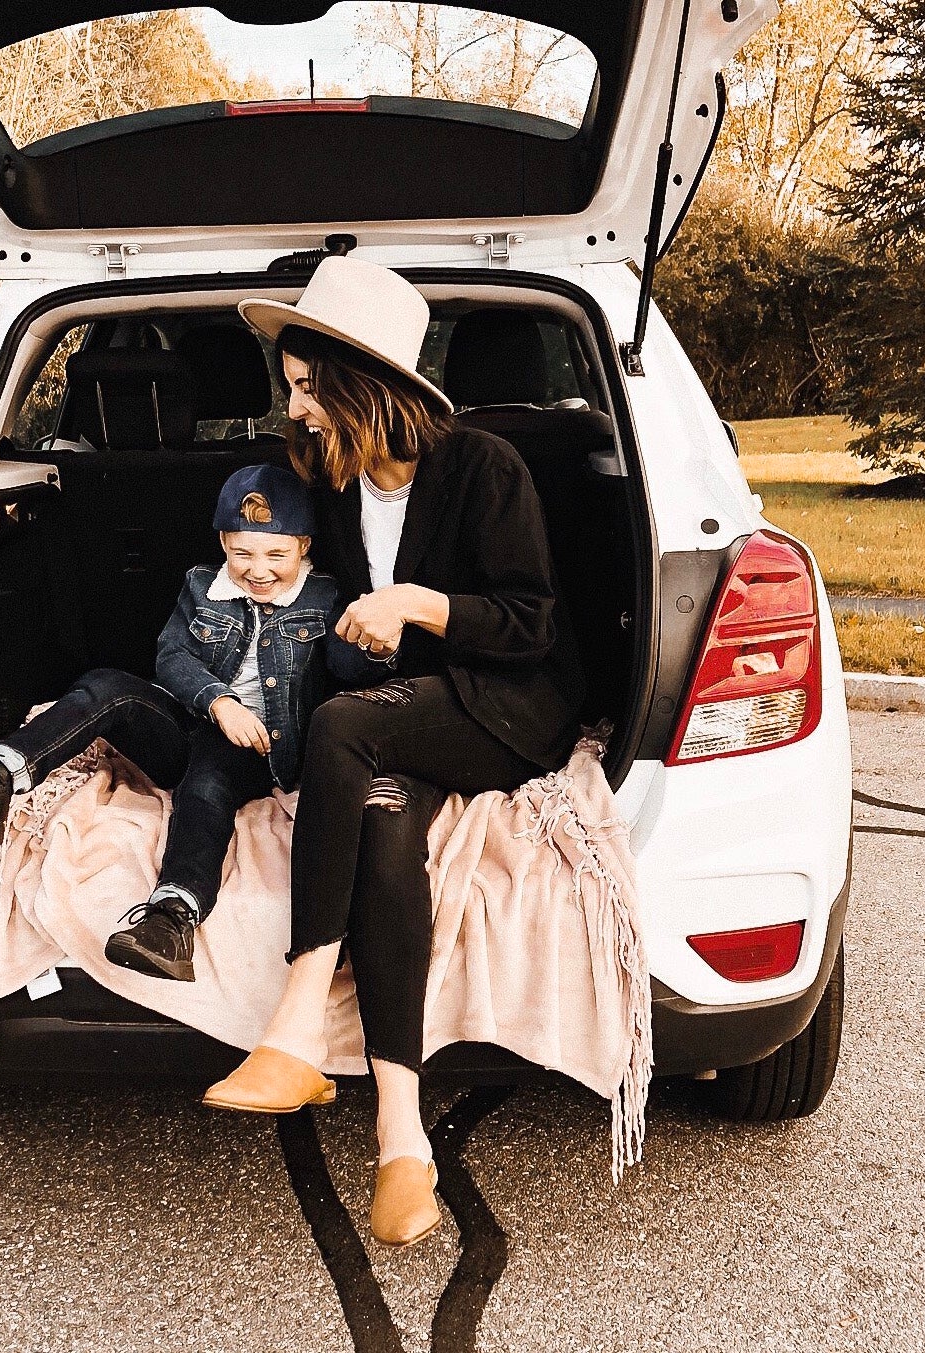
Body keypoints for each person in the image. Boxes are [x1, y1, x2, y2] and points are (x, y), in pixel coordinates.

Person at [201, 257, 586, 1247]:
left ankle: (293, 1025)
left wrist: (414, 604)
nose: (295, 409)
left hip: (499, 702)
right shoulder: (319, 480)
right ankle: (401, 1143)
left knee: (346, 729)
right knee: (380, 827)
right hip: (395, 708)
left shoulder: (482, 466)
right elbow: (325, 623)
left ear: (356, 380)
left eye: (304, 388)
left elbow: (530, 624)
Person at [0, 462, 385, 981]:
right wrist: (218, 701)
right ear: (223, 542)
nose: (258, 569)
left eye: (276, 554)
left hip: (260, 752)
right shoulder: (203, 587)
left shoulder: (323, 599)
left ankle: (171, 918)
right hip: (193, 725)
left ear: (304, 547)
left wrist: (375, 644)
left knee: (206, 782)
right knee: (106, 686)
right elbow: (172, 657)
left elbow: (347, 668)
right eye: (242, 552)